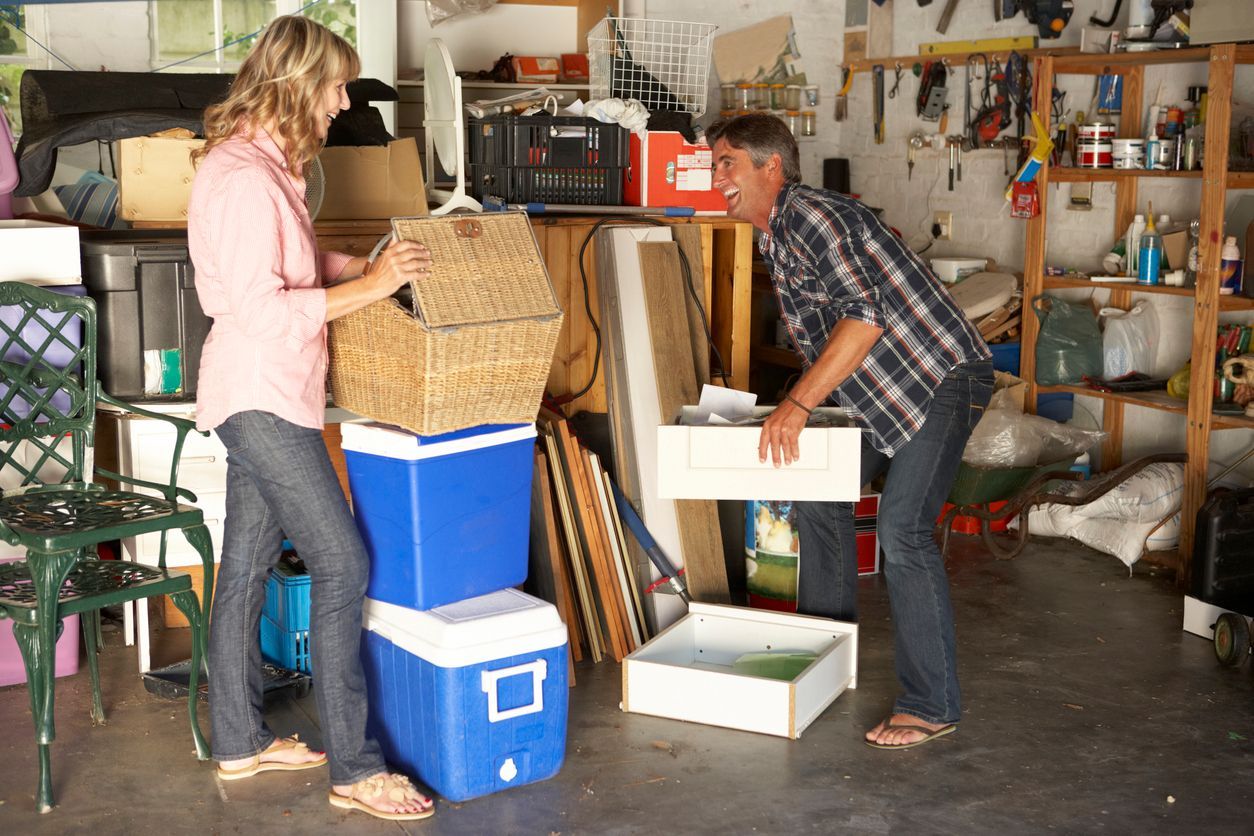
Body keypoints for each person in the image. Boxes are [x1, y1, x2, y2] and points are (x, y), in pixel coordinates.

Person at [188, 16, 435, 820]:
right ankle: (357, 769)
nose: (340, 100)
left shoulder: (269, 170)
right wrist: (368, 289)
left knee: (247, 571)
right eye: (333, 85)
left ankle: (238, 742)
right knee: (343, 566)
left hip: (269, 396)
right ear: (298, 84)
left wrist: (359, 268)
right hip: (260, 397)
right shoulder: (244, 178)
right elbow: (261, 309)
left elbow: (290, 263)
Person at [708, 113, 994, 750]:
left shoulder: (809, 215)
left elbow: (862, 319)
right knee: (818, 496)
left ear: (771, 166)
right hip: (877, 392)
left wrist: (800, 405)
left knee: (903, 527)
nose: (716, 175)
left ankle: (931, 704)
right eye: (714, 163)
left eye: (728, 161)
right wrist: (789, 404)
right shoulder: (775, 235)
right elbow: (831, 336)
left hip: (941, 376)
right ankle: (827, 661)